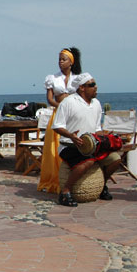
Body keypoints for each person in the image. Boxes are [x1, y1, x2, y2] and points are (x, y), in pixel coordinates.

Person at [51, 73, 121, 207]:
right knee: (88, 161)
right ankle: (65, 192)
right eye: (92, 85)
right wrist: (71, 135)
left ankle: (102, 185)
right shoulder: (68, 102)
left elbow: (97, 128)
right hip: (69, 146)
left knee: (115, 159)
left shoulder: (96, 104)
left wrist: (105, 136)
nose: (96, 87)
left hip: (92, 146)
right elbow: (57, 126)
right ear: (82, 88)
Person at [37, 47, 81, 193]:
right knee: (53, 148)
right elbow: (50, 99)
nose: (60, 62)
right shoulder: (52, 78)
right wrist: (62, 107)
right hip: (58, 114)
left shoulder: (77, 78)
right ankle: (54, 179)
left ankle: (71, 179)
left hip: (73, 115)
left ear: (71, 62)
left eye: (64, 59)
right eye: (59, 60)